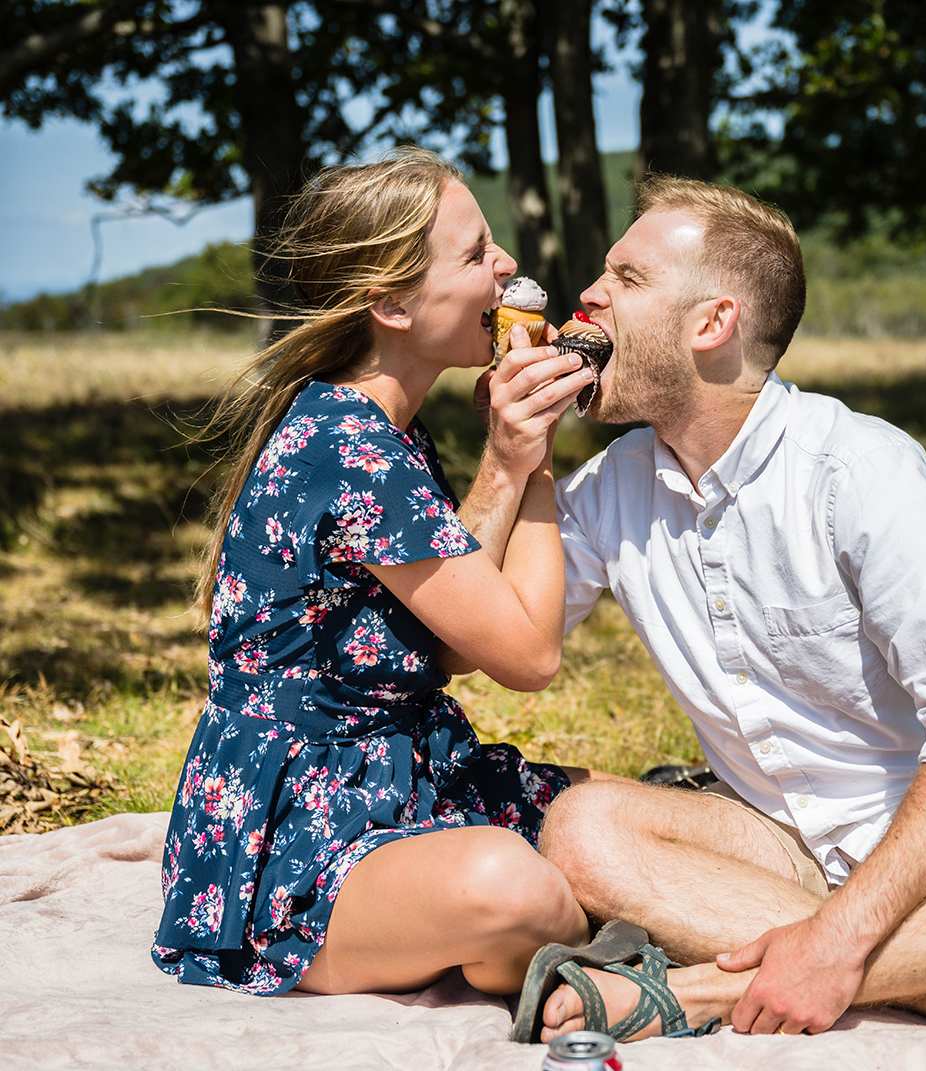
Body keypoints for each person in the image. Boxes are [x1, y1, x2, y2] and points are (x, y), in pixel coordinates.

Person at [515, 175, 926, 1042]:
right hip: (772, 846)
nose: (586, 296)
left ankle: (706, 990)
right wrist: (513, 457)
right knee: (580, 829)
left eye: (626, 278)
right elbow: (505, 640)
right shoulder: (605, 491)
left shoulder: (858, 468)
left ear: (712, 324)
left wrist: (841, 933)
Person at [152, 147, 604, 999]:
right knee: (518, 886)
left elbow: (455, 645)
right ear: (390, 301)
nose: (507, 266)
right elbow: (529, 655)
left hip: (402, 772)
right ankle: (563, 958)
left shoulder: (382, 428)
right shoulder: (350, 447)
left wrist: (508, 464)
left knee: (617, 821)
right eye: (476, 255)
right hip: (293, 841)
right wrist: (526, 457)